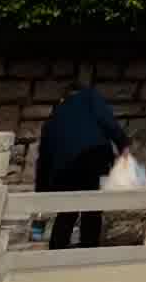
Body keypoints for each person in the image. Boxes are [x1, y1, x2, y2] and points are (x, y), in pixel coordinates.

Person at [36, 85, 130, 251]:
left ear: (62, 99)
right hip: (94, 157)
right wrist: (123, 144)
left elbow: (44, 159)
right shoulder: (89, 96)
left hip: (66, 168)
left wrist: (40, 195)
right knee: (92, 209)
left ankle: (56, 251)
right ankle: (89, 250)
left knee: (66, 212)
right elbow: (107, 120)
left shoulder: (52, 120)